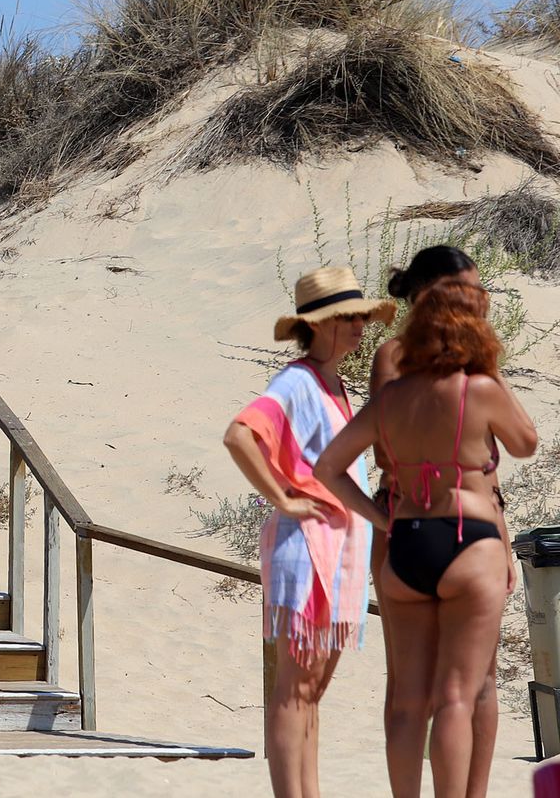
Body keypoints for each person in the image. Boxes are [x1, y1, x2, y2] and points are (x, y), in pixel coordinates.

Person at [316, 278, 536, 798]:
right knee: (442, 691)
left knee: (439, 691)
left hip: (425, 529)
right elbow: (521, 441)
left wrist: (382, 517)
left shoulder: (419, 386)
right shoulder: (445, 375)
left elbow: (330, 466)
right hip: (440, 524)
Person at [222, 265, 392, 798]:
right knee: (296, 689)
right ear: (317, 325)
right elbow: (240, 435)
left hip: (338, 549)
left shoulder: (335, 384)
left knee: (312, 690)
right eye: (349, 319)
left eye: (363, 318)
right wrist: (284, 498)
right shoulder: (297, 380)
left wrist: (378, 518)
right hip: (307, 548)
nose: (361, 327)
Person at [369, 246, 507, 796]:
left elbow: (491, 459)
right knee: (409, 685)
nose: (476, 301)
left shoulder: (475, 356)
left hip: (476, 522)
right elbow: (383, 448)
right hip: (406, 514)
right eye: (466, 290)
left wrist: (499, 531)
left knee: (482, 680)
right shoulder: (395, 353)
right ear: (435, 292)